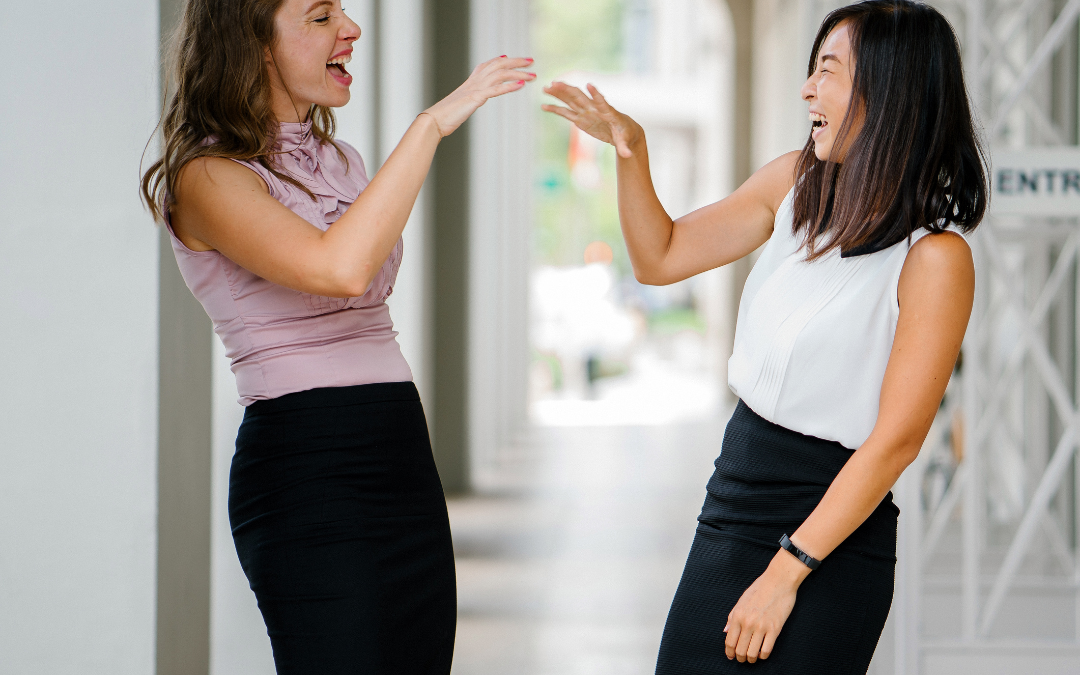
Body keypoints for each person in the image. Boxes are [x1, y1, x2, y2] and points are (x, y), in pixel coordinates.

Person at [542, 1, 985, 672]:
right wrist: (631, 152)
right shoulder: (794, 186)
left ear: (888, 90)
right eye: (810, 70)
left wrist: (787, 572)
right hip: (734, 497)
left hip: (830, 535)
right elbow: (659, 257)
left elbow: (896, 440)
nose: (807, 88)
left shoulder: (934, 257)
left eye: (828, 71)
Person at [140, 0, 534, 672]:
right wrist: (430, 126)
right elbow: (340, 269)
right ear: (253, 42)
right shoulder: (206, 177)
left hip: (398, 446)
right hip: (307, 465)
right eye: (321, 16)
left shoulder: (341, 160)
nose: (349, 29)